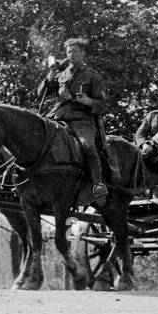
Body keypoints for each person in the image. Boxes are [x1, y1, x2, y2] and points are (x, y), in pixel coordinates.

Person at [36, 37, 110, 202]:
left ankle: (98, 187)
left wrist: (88, 101)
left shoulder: (92, 76)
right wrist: (50, 75)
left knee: (87, 145)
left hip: (81, 120)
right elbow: (41, 94)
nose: (71, 55)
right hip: (58, 117)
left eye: (75, 51)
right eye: (68, 52)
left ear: (83, 53)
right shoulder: (60, 74)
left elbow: (103, 104)